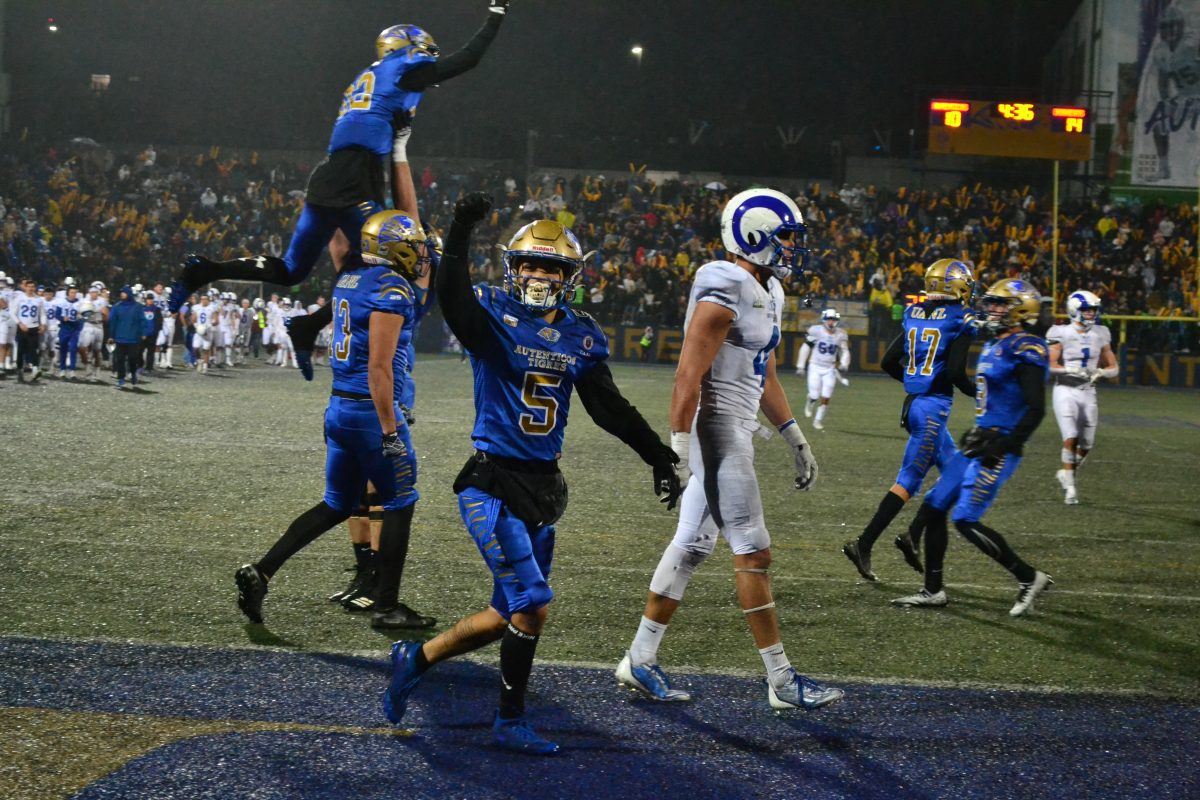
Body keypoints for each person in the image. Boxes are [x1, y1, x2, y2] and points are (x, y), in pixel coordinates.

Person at [382, 193, 681, 755]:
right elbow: (453, 299)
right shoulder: (492, 312)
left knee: (504, 616)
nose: (539, 274)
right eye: (529, 264)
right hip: (490, 482)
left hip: (544, 488)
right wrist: (461, 228)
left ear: (569, 276)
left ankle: (414, 659)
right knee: (533, 603)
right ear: (511, 269)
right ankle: (509, 720)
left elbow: (607, 406)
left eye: (551, 266)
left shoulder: (580, 333)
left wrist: (657, 455)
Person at [614, 188, 842, 712]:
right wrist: (677, 448)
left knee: (692, 546)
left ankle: (639, 658)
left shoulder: (770, 290)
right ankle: (782, 681)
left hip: (739, 427)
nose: (791, 247)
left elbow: (763, 373)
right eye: (785, 236)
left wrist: (794, 436)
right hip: (715, 427)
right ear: (754, 234)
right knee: (753, 551)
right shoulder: (725, 283)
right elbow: (688, 374)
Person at [167, 0, 511, 312]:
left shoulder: (368, 77)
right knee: (402, 259)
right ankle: (333, 329)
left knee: (291, 270)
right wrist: (496, 14)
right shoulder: (404, 69)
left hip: (329, 175)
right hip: (356, 178)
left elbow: (369, 123)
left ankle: (208, 270)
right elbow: (469, 58)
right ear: (409, 48)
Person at [235, 209, 433, 629]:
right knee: (400, 502)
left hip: (339, 409)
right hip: (369, 411)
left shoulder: (350, 279)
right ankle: (387, 606)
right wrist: (390, 429)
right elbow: (379, 368)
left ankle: (263, 571)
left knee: (336, 504)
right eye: (414, 245)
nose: (420, 253)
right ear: (394, 247)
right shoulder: (391, 289)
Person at [892, 278, 1053, 616]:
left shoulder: (1027, 347)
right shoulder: (997, 343)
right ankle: (933, 590)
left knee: (965, 518)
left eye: (1001, 304)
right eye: (991, 303)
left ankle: (1028, 577)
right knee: (935, 506)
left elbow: (1036, 408)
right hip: (980, 439)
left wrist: (1007, 443)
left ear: (1022, 310)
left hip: (999, 444)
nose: (992, 309)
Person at [842, 259, 977, 584]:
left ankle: (913, 534)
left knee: (957, 471)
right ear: (958, 286)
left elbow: (889, 362)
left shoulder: (913, 312)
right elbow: (957, 372)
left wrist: (916, 380)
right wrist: (979, 394)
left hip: (916, 403)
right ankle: (865, 543)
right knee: (909, 481)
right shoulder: (961, 319)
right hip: (932, 408)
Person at [1046, 289, 1118, 505]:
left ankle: (1065, 473)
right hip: (1065, 390)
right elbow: (1050, 364)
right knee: (1071, 436)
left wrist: (1102, 372)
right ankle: (1071, 488)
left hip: (1088, 391)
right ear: (1074, 310)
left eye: (1093, 310)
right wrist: (1070, 370)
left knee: (1086, 444)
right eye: (1087, 310)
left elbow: (1114, 367)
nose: (1091, 314)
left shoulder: (1101, 332)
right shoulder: (1061, 332)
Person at [794, 308, 850, 430]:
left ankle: (818, 420)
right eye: (829, 319)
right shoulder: (816, 331)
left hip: (830, 368)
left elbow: (844, 351)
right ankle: (810, 400)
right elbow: (805, 347)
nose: (831, 322)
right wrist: (800, 366)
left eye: (834, 319)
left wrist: (844, 363)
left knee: (826, 395)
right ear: (824, 320)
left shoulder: (841, 334)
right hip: (815, 366)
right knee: (814, 394)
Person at [107, 286, 144, 388]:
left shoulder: (137, 307)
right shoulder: (116, 307)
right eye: (121, 293)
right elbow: (112, 322)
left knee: (132, 359)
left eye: (124, 292)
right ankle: (121, 379)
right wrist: (111, 335)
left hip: (133, 338)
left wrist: (143, 333)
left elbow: (142, 320)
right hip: (119, 338)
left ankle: (132, 374)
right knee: (120, 360)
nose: (122, 294)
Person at [14, 279, 47, 382]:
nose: (31, 288)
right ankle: (20, 370)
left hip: (34, 327)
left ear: (35, 288)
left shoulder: (39, 299)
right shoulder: (19, 298)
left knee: (33, 349)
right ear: (25, 287)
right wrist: (19, 323)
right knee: (21, 350)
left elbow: (42, 313)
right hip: (22, 327)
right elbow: (13, 313)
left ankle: (35, 370)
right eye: (29, 286)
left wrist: (43, 324)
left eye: (33, 287)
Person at [51, 284, 85, 379]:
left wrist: (80, 323)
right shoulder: (62, 302)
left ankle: (72, 370)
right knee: (63, 349)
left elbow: (83, 317)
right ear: (67, 293)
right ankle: (62, 369)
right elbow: (57, 314)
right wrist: (63, 318)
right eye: (71, 292)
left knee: (73, 349)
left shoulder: (80, 303)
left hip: (74, 328)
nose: (73, 294)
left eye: (75, 292)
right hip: (65, 327)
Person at [140, 291, 163, 375]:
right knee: (139, 351)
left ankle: (149, 368)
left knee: (150, 352)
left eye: (151, 299)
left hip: (152, 334)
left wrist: (156, 332)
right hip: (143, 334)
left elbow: (159, 322)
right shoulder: (142, 309)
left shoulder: (156, 310)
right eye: (148, 299)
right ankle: (140, 365)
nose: (149, 300)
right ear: (146, 300)